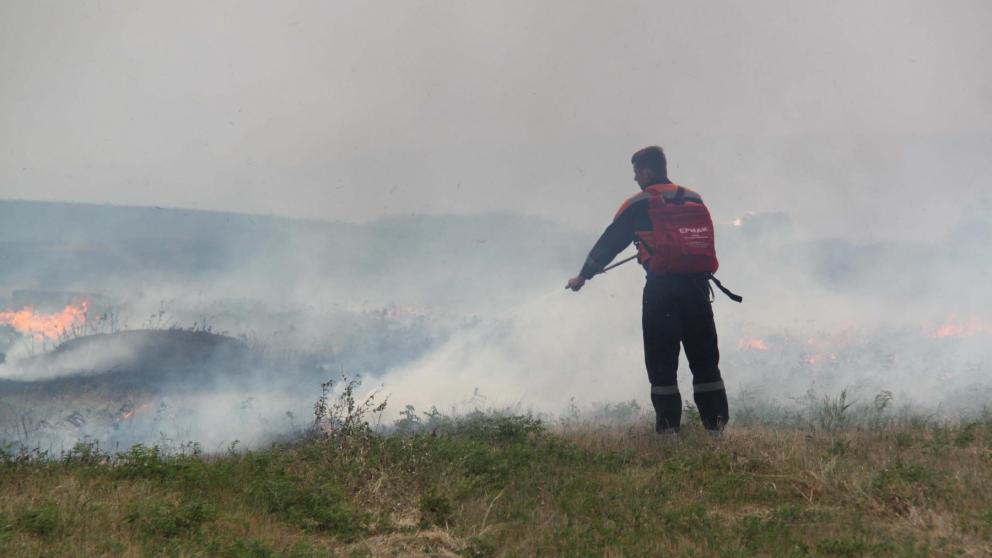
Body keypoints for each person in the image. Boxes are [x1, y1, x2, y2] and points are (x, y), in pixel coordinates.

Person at [566, 146, 731, 434]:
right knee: (705, 360)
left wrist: (583, 275)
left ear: (646, 171)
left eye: (636, 173)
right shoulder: (693, 198)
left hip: (662, 291)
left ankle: (668, 432)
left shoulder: (638, 203)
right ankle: (716, 428)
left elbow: (609, 243)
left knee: (662, 361)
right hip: (698, 288)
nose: (635, 179)